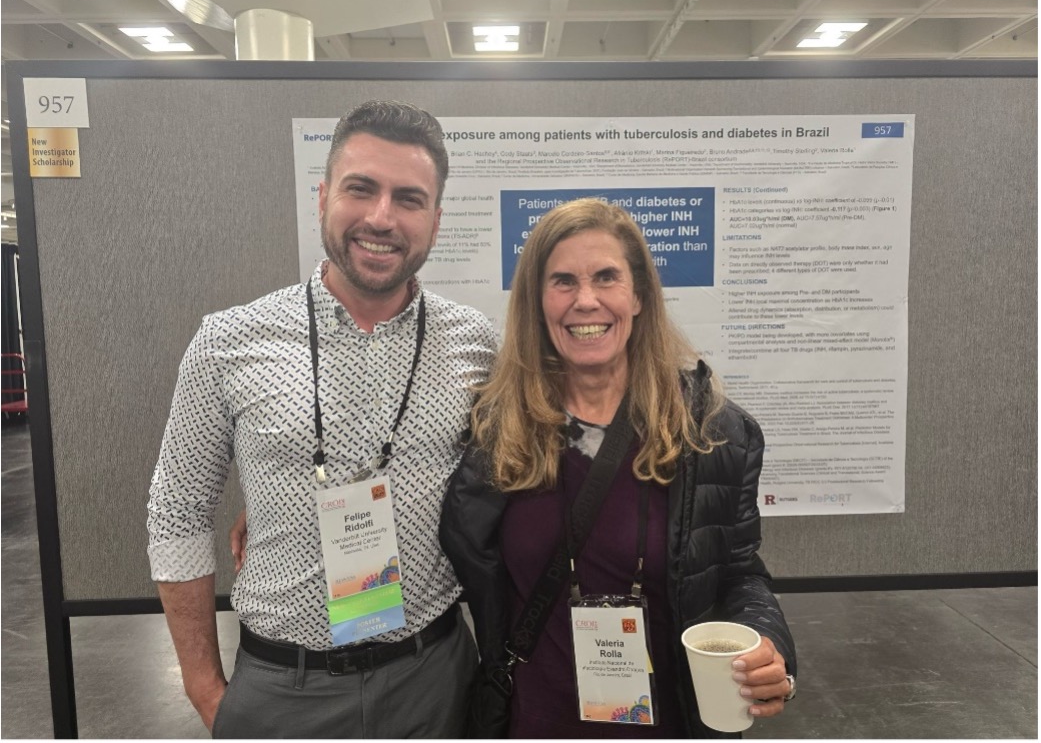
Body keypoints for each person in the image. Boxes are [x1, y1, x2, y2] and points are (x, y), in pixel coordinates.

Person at [146, 100, 497, 738]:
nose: (382, 217)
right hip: (283, 689)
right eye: (361, 189)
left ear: (436, 219)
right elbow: (177, 514)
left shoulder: (477, 345)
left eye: (409, 199)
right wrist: (204, 689)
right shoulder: (228, 342)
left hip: (435, 682)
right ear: (323, 197)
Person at [440, 197, 796, 738]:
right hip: (535, 721)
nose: (586, 301)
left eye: (606, 277)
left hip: (669, 724)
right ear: (537, 301)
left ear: (639, 296)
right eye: (563, 281)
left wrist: (769, 644)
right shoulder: (498, 430)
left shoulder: (711, 433)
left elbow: (740, 573)